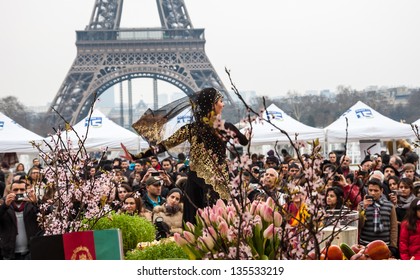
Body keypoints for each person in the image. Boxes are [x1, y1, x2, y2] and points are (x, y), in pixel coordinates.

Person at [121, 88, 249, 224]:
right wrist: (247, 134)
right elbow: (243, 141)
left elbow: (163, 145)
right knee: (219, 221)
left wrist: (136, 157)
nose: (223, 104)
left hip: (196, 181)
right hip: (217, 181)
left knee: (195, 223)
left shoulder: (191, 129)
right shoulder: (225, 127)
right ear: (212, 104)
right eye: (220, 101)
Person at [0, 180, 40, 259]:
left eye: (22, 190)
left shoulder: (31, 206)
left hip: (30, 252)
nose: (19, 192)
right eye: (15, 190)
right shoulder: (3, 205)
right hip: (9, 253)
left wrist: (36, 203)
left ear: (26, 191)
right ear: (10, 191)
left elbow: (46, 216)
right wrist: (5, 206)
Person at [357, 178, 398, 254]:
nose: (372, 193)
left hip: (384, 245)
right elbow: (359, 225)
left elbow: (394, 227)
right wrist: (364, 209)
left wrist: (393, 246)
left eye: (376, 191)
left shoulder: (389, 206)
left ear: (381, 191)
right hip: (365, 244)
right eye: (370, 190)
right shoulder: (361, 205)